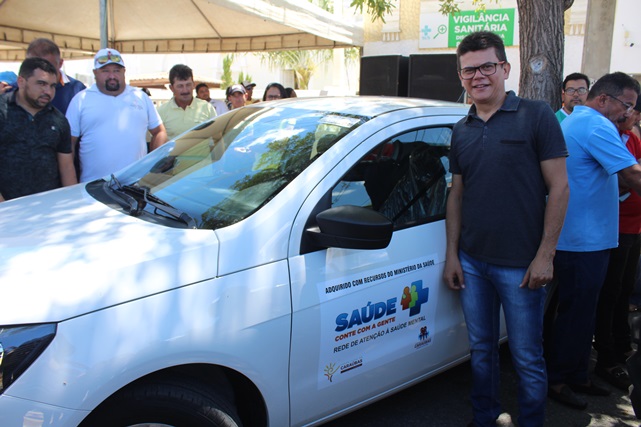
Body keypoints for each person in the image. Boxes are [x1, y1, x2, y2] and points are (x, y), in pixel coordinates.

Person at [443, 31, 569, 427]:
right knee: (481, 349)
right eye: (469, 70)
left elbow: (560, 187)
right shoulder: (461, 129)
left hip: (521, 265)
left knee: (527, 356)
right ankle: (485, 417)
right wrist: (452, 255)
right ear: (461, 76)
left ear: (505, 68)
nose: (478, 76)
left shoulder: (537, 115)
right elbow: (457, 195)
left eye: (487, 66)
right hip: (472, 262)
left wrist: (545, 256)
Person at [547, 72, 641, 410]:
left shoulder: (586, 122)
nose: (628, 112)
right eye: (626, 105)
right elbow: (632, 174)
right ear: (603, 99)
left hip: (587, 239)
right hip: (582, 241)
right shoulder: (595, 125)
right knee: (575, 314)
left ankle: (576, 375)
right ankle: (558, 380)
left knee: (583, 313)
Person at [592, 97, 641, 392]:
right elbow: (623, 178)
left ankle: (622, 348)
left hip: (634, 227)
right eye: (631, 109)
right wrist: (629, 175)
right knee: (610, 293)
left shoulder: (632, 137)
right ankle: (607, 357)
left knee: (624, 291)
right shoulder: (606, 135)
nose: (633, 116)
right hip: (615, 228)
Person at [66, 48, 167, 182]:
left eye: (116, 71)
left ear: (124, 72)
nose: (112, 76)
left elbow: (159, 132)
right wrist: (71, 185)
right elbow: (67, 145)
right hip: (94, 187)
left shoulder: (140, 97)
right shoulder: (80, 100)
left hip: (136, 186)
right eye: (105, 71)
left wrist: (153, 164)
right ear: (95, 73)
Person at [0, 57, 77, 201]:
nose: (48, 91)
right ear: (21, 82)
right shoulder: (2, 111)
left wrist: (73, 202)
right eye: (41, 84)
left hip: (47, 207)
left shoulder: (58, 120)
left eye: (52, 86)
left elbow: (66, 168)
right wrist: (4, 208)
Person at [26, 38, 86, 115]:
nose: (41, 73)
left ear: (60, 63)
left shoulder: (77, 90)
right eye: (34, 67)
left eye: (48, 67)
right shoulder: (16, 89)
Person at [156, 64, 217, 140]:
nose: (185, 90)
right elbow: (157, 142)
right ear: (171, 88)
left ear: (193, 85)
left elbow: (217, 137)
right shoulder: (161, 112)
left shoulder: (207, 108)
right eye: (180, 86)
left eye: (188, 85)